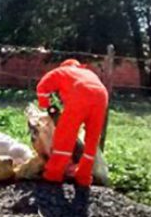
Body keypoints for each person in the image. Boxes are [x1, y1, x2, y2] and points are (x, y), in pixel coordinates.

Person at [36, 59, 108, 187]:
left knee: (65, 136)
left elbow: (42, 86)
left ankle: (53, 174)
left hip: (80, 94)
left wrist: (44, 104)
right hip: (102, 97)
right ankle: (84, 177)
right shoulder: (88, 73)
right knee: (92, 139)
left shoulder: (62, 72)